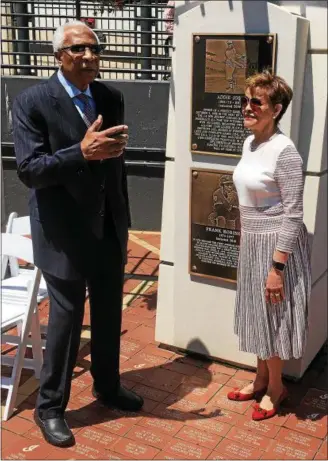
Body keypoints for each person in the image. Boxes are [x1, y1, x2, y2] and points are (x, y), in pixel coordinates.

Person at [12, 20, 143, 448]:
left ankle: (107, 386)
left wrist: (123, 219)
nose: (89, 57)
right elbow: (30, 170)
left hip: (108, 226)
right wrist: (79, 153)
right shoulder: (32, 102)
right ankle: (49, 407)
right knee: (66, 323)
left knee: (109, 314)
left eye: (94, 48)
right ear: (59, 57)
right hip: (63, 232)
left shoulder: (110, 97)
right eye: (77, 50)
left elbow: (117, 163)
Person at [230, 71, 311, 421]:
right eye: (245, 100)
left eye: (256, 102)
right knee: (256, 313)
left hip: (276, 248)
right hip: (252, 242)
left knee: (273, 317)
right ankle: (260, 377)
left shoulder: (285, 152)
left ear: (276, 109)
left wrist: (277, 268)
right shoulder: (250, 143)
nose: (248, 107)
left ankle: (276, 387)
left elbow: (293, 215)